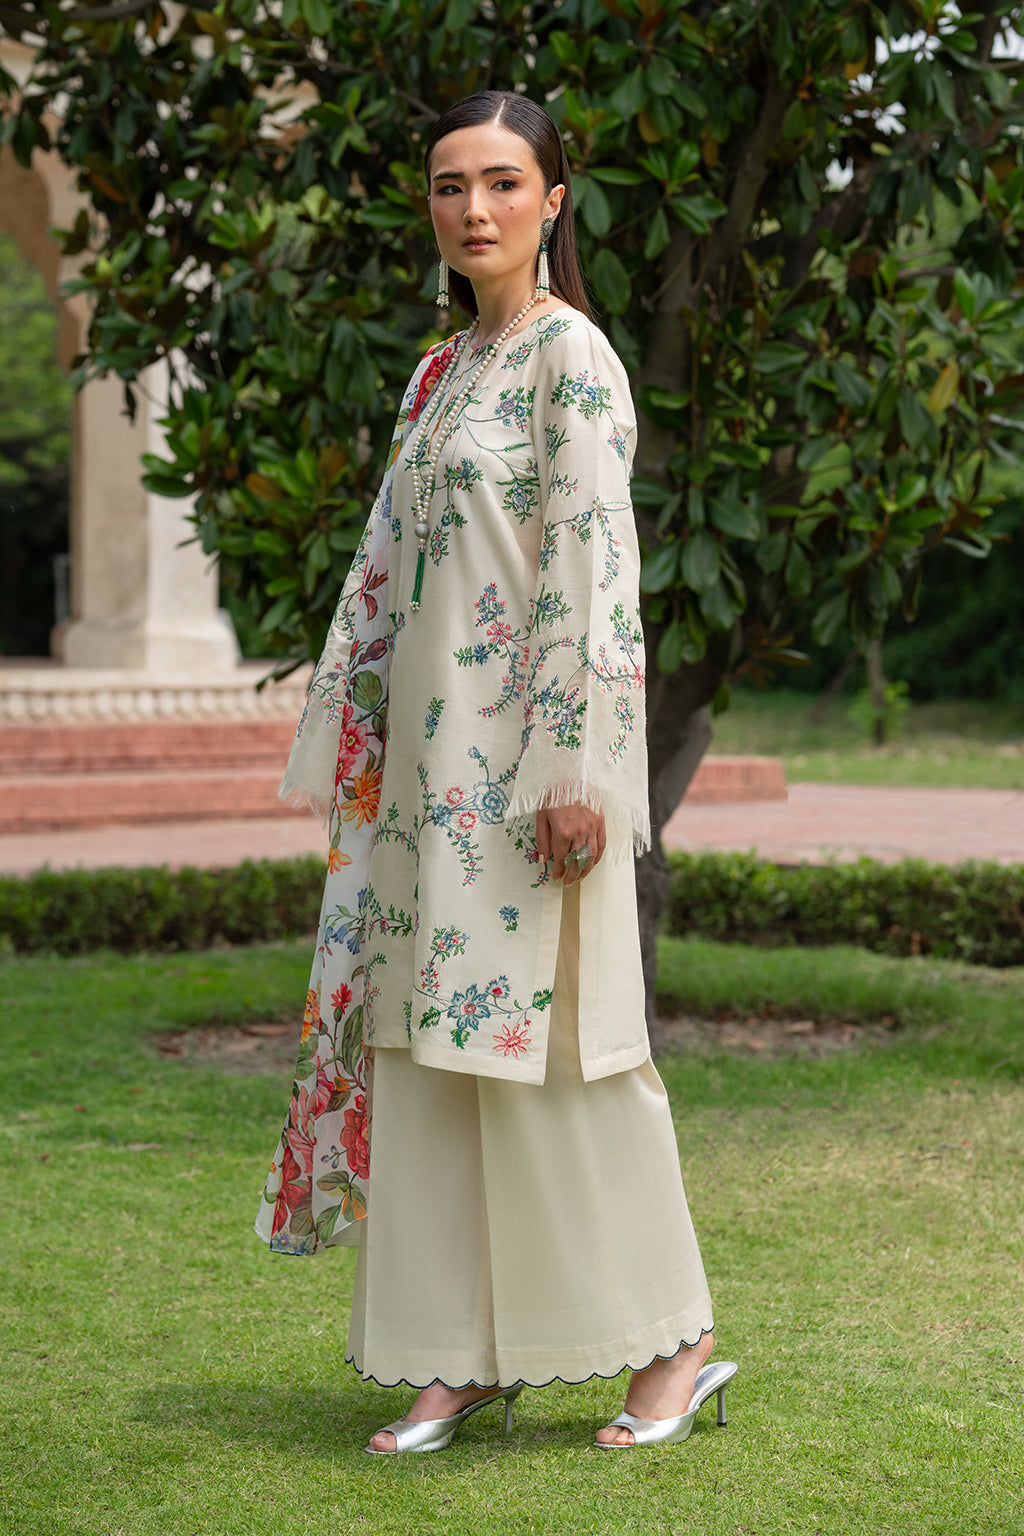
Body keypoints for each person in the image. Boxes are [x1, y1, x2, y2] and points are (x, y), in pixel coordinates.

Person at [256, 88, 736, 1453]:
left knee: (575, 1060)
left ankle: (680, 1344)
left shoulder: (568, 360)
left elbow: (596, 579)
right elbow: (394, 580)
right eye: (452, 185)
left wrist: (575, 771)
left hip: (529, 786)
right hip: (424, 792)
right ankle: (461, 1351)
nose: (474, 209)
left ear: (552, 200)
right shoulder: (441, 371)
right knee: (433, 1061)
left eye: (502, 183)